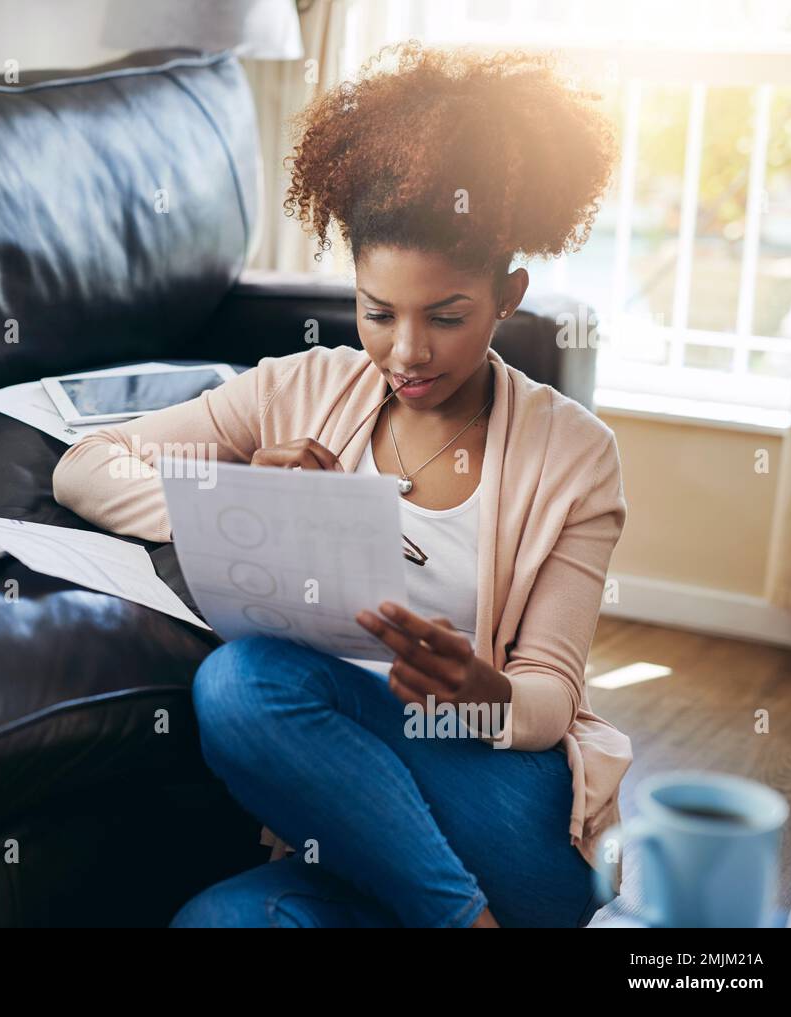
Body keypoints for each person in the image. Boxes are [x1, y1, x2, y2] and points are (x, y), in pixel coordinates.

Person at [51, 42, 632, 928]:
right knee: (215, 924)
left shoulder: (575, 455)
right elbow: (85, 465)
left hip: (510, 811)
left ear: (508, 294)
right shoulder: (299, 389)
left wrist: (482, 691)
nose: (408, 352)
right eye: (377, 312)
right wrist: (237, 498)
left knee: (243, 683)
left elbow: (551, 695)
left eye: (446, 317)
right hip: (361, 824)